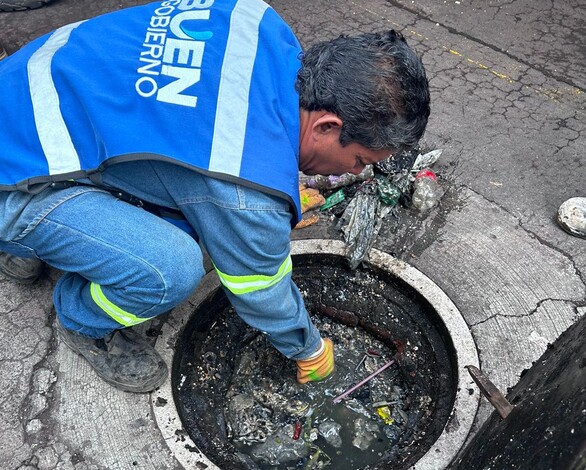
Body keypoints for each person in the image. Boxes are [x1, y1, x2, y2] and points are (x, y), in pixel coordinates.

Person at [0, 0, 430, 393]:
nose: (357, 172)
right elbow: (259, 286)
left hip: (20, 95)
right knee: (171, 269)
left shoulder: (258, 22)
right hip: (14, 180)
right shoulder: (247, 192)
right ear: (326, 127)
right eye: (358, 159)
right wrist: (308, 349)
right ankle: (81, 318)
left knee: (188, 202)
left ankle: (39, 240)